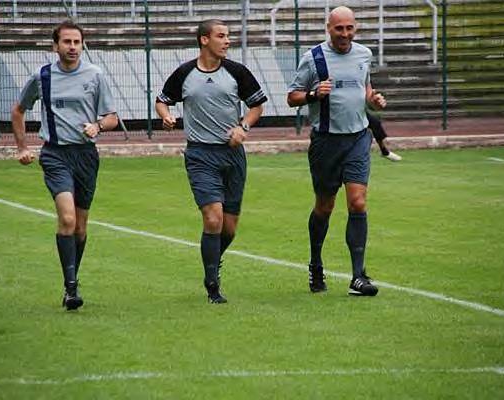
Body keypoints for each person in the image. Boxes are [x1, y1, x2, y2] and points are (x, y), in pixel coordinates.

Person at [155, 19, 267, 304]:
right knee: (213, 217)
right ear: (204, 40)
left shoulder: (236, 72)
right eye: (221, 36)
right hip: (200, 155)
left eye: (228, 36)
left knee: (229, 228)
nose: (227, 41)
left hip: (232, 156)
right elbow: (162, 99)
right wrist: (166, 116)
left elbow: (257, 106)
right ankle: (212, 284)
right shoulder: (184, 73)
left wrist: (243, 128)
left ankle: (213, 259)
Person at [11, 20, 119, 310]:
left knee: (81, 227)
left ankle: (73, 278)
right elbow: (19, 110)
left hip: (86, 156)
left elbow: (112, 117)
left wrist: (97, 126)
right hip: (55, 155)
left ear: (83, 45)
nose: (72, 47)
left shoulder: (95, 75)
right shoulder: (42, 76)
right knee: (68, 219)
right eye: (67, 42)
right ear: (55, 45)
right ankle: (71, 289)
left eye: (77, 42)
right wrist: (22, 148)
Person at [287, 6, 386, 296]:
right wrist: (313, 94)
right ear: (328, 28)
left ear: (355, 29)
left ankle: (358, 276)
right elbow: (292, 97)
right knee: (325, 206)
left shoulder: (364, 55)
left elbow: (365, 88)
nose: (345, 34)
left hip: (357, 139)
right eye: (339, 28)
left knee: (357, 202)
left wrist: (374, 100)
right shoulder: (313, 58)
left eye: (350, 28)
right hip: (326, 143)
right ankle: (316, 264)